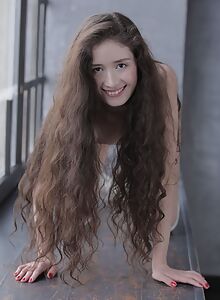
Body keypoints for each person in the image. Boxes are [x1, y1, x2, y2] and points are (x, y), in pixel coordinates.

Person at [13, 12, 209, 289]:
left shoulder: (162, 78)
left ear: (138, 61)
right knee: (78, 193)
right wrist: (44, 254)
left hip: (142, 131)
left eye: (121, 65)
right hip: (95, 128)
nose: (111, 81)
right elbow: (47, 182)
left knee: (171, 219)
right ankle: (100, 182)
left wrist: (160, 264)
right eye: (97, 69)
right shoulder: (77, 95)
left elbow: (169, 169)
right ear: (84, 70)